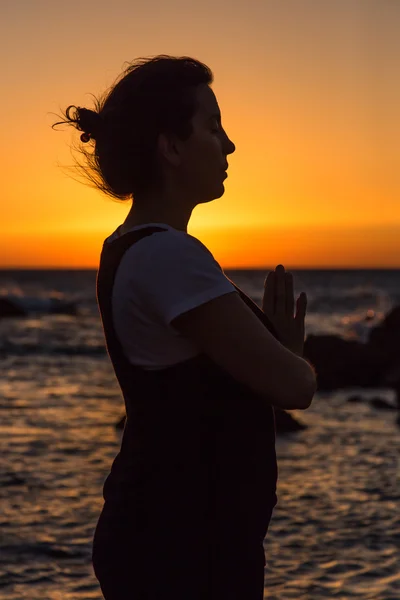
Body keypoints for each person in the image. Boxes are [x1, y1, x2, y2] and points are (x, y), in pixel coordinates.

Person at [52, 54, 317, 600]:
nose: (230, 145)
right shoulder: (168, 255)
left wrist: (274, 351)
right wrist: (289, 352)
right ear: (170, 147)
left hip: (171, 540)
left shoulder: (130, 247)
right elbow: (295, 386)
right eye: (214, 127)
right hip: (181, 551)